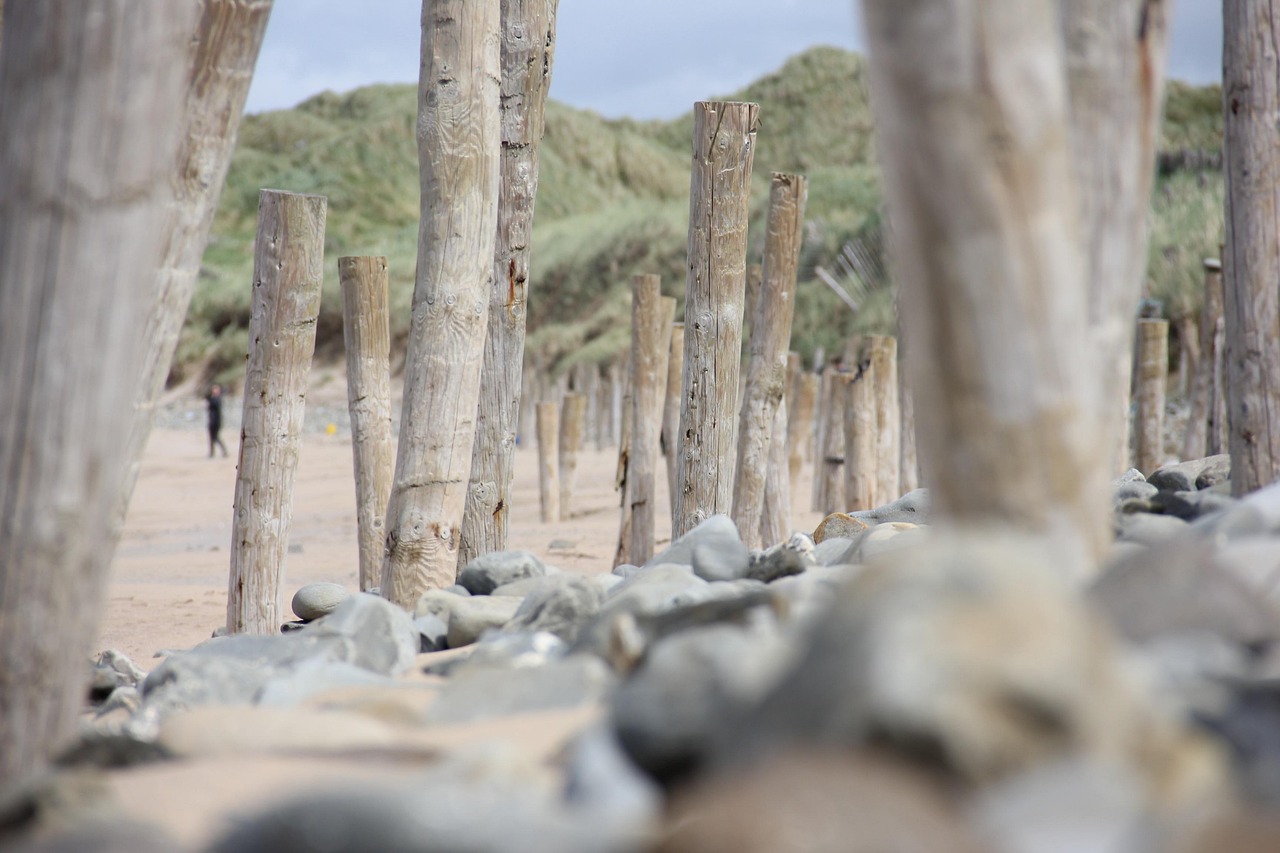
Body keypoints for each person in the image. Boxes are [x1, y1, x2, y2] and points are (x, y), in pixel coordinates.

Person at [205, 384, 228, 458]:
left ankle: (224, 450)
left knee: (215, 437)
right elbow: (206, 396)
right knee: (211, 437)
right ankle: (212, 452)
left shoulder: (217, 399)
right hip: (211, 420)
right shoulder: (212, 398)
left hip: (217, 421)